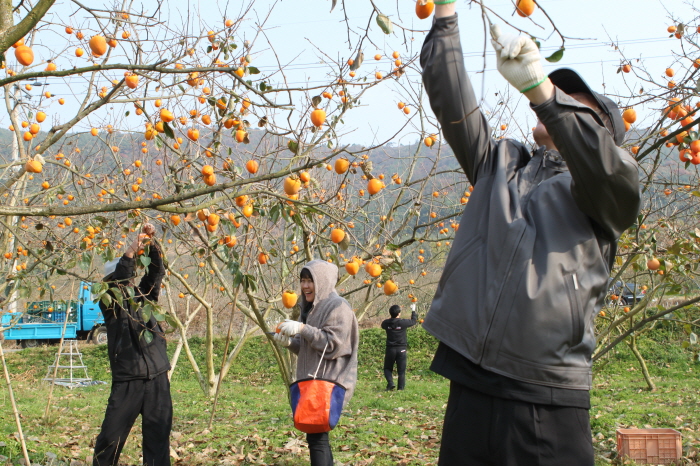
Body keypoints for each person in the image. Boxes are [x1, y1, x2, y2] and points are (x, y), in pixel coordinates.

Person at [420, 5, 641, 466]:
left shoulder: (610, 189)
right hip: (472, 382)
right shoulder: (501, 163)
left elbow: (601, 163)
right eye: (558, 89)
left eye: (575, 101)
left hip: (546, 392)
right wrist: (445, 17)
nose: (557, 97)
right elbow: (454, 106)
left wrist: (543, 91)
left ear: (600, 131)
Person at [93, 223, 171, 466]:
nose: (126, 284)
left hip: (157, 377)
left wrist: (150, 244)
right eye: (120, 281)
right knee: (110, 438)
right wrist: (129, 253)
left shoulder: (142, 296)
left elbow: (156, 272)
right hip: (128, 380)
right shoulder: (108, 303)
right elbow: (122, 275)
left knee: (158, 439)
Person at [274, 260, 359, 466]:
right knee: (318, 437)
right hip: (314, 381)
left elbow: (333, 344)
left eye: (310, 280)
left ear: (323, 281)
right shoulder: (312, 307)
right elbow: (311, 348)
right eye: (303, 280)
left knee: (317, 438)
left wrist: (303, 329)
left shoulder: (337, 307)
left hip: (328, 383)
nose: (305, 286)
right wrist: (290, 343)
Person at [381, 304, 417, 390]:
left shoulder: (386, 323)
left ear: (390, 313)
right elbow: (413, 321)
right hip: (402, 349)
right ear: (399, 313)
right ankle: (400, 389)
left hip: (390, 349)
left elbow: (383, 326)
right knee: (401, 371)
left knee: (387, 368)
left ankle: (390, 383)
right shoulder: (403, 322)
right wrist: (413, 310)